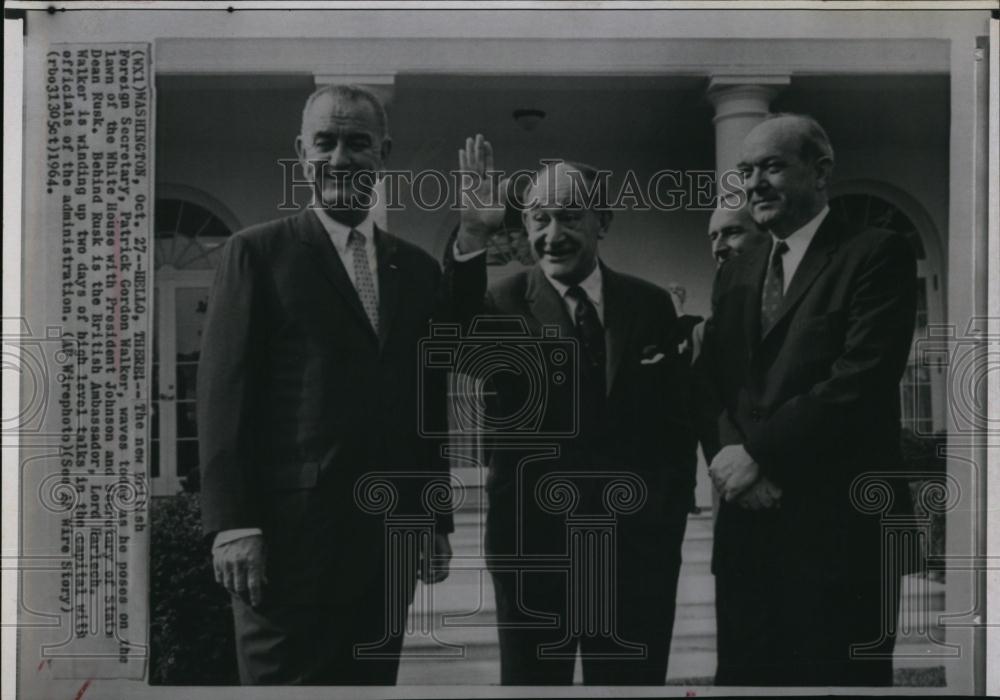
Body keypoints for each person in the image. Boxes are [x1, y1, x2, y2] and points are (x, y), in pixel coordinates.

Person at [197, 84, 452, 685]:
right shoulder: (256, 254)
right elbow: (223, 398)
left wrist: (433, 518)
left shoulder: (414, 268)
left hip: (383, 551)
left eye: (357, 143)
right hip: (283, 555)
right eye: (325, 142)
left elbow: (425, 402)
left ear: (383, 152)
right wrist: (234, 525)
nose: (340, 158)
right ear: (301, 152)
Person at [444, 136, 698, 685]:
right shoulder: (502, 302)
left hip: (636, 553)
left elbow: (677, 427)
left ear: (602, 221)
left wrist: (665, 518)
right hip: (534, 553)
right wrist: (472, 235)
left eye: (568, 217)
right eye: (538, 219)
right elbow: (455, 338)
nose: (550, 235)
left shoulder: (650, 305)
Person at [703, 113, 917, 686]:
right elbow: (715, 382)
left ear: (820, 172)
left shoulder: (876, 253)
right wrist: (731, 461)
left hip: (839, 538)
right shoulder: (738, 270)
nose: (754, 185)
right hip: (749, 532)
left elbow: (861, 379)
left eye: (772, 166)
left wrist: (760, 454)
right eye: (746, 171)